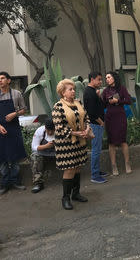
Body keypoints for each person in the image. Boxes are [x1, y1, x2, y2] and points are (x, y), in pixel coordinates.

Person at [52, 79, 91, 210]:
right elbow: (59, 127)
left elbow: (86, 117)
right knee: (70, 169)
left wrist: (87, 129)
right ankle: (65, 198)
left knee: (78, 167)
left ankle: (76, 193)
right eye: (70, 89)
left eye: (74, 89)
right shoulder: (58, 106)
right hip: (66, 144)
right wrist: (76, 133)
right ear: (63, 92)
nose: (73, 91)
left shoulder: (78, 103)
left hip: (80, 141)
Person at [0, 72, 27, 195]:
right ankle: (5, 184)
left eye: (2, 78)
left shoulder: (17, 94)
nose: (0, 81)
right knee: (3, 157)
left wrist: (14, 114)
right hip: (0, 129)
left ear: (8, 80)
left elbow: (23, 109)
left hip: (14, 129)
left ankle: (16, 181)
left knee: (15, 156)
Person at [102, 72, 132, 176]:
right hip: (110, 117)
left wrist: (118, 101)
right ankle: (114, 166)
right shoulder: (105, 91)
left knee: (123, 141)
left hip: (120, 116)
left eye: (109, 77)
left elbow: (129, 100)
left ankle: (127, 164)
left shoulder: (122, 89)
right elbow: (103, 104)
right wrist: (103, 99)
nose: (107, 79)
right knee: (111, 143)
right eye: (106, 78)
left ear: (114, 77)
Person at [83, 72, 108, 184]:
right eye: (99, 79)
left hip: (97, 124)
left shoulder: (94, 92)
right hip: (95, 124)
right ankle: (94, 175)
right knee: (96, 150)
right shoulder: (89, 92)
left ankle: (97, 171)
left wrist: (99, 96)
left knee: (97, 149)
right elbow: (91, 113)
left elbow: (101, 106)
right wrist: (101, 122)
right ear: (92, 79)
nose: (100, 82)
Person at [30, 119, 56, 193]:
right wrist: (46, 146)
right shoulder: (40, 131)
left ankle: (69, 179)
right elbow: (34, 147)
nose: (50, 132)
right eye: (48, 130)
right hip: (42, 152)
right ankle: (38, 183)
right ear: (45, 128)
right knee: (34, 156)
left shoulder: (60, 130)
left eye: (52, 130)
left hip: (57, 152)